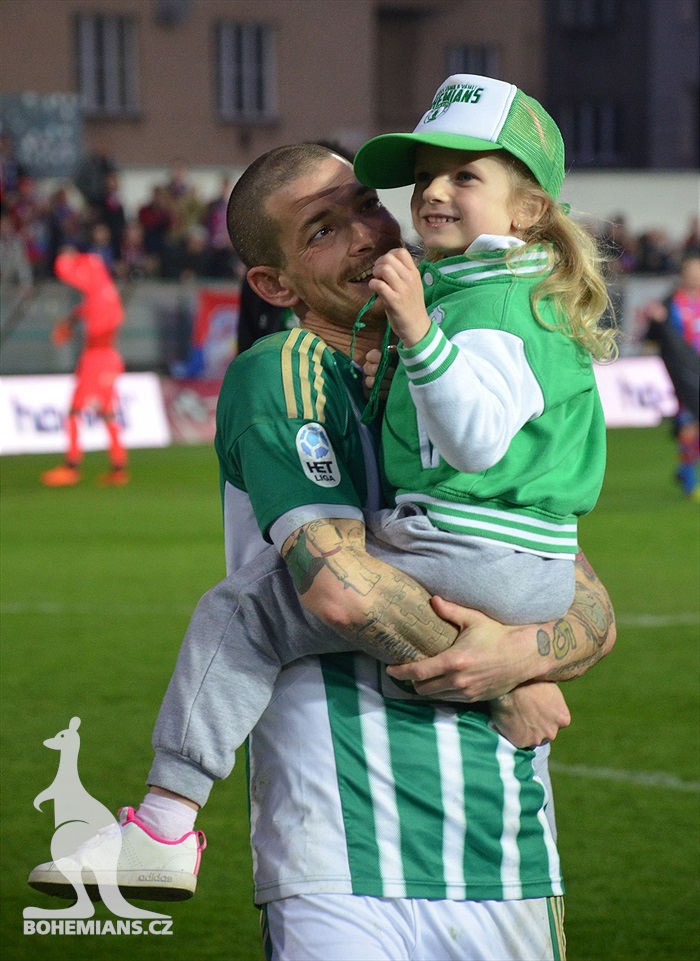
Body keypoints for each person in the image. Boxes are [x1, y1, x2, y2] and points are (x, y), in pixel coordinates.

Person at [29, 144, 615, 961]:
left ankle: (162, 820)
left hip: (505, 836)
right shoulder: (285, 374)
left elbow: (588, 599)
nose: (369, 236)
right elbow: (342, 590)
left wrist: (523, 650)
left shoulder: (458, 353)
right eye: (322, 231)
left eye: (367, 205)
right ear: (275, 285)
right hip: (345, 845)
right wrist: (503, 677)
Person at [40, 247, 129, 487]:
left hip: (97, 360)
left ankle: (71, 466)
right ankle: (119, 467)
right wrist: (70, 322)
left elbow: (62, 268)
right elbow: (86, 310)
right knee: (107, 412)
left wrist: (70, 257)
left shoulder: (96, 290)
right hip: (108, 358)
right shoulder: (106, 293)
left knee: (74, 412)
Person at [642, 252, 700, 499]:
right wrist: (656, 322)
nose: (695, 276)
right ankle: (689, 480)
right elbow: (651, 338)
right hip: (685, 376)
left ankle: (684, 469)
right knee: (690, 425)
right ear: (682, 274)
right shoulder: (670, 304)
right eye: (691, 271)